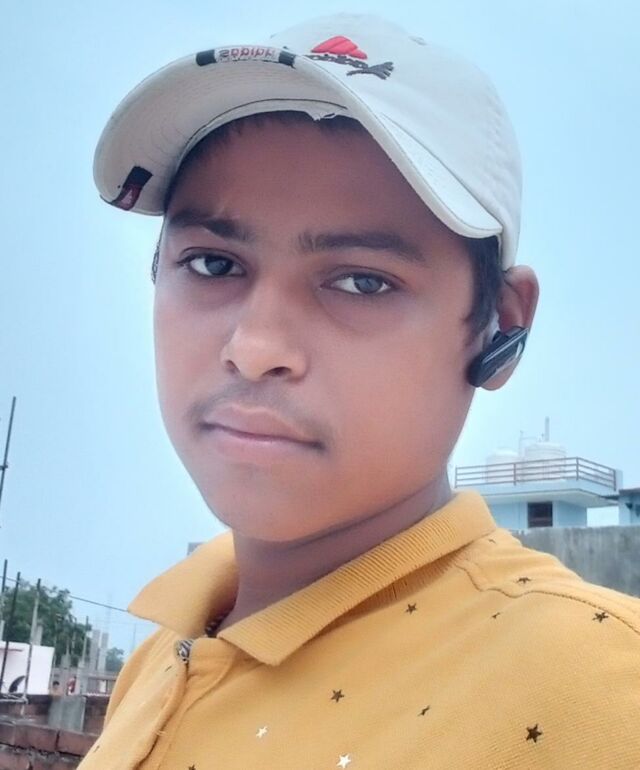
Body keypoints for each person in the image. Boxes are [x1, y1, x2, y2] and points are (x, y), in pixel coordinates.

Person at [80, 14, 640, 769]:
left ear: (499, 326)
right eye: (213, 264)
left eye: (362, 282)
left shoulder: (599, 692)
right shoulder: (160, 657)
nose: (255, 348)